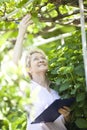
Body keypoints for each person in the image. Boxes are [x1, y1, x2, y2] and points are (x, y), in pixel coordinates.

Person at [13, 14, 71, 130]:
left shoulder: (55, 93)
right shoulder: (28, 88)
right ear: (29, 69)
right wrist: (21, 33)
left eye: (43, 58)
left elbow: (63, 122)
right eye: (36, 59)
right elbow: (14, 65)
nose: (41, 60)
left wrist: (67, 115)